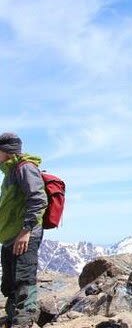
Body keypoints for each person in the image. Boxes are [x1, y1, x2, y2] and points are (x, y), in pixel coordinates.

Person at [0, 133, 47, 327]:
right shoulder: (10, 171)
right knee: (10, 284)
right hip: (11, 237)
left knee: (24, 282)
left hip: (24, 236)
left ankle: (24, 323)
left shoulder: (25, 168)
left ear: (6, 151)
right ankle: (13, 321)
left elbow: (38, 200)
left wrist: (26, 231)